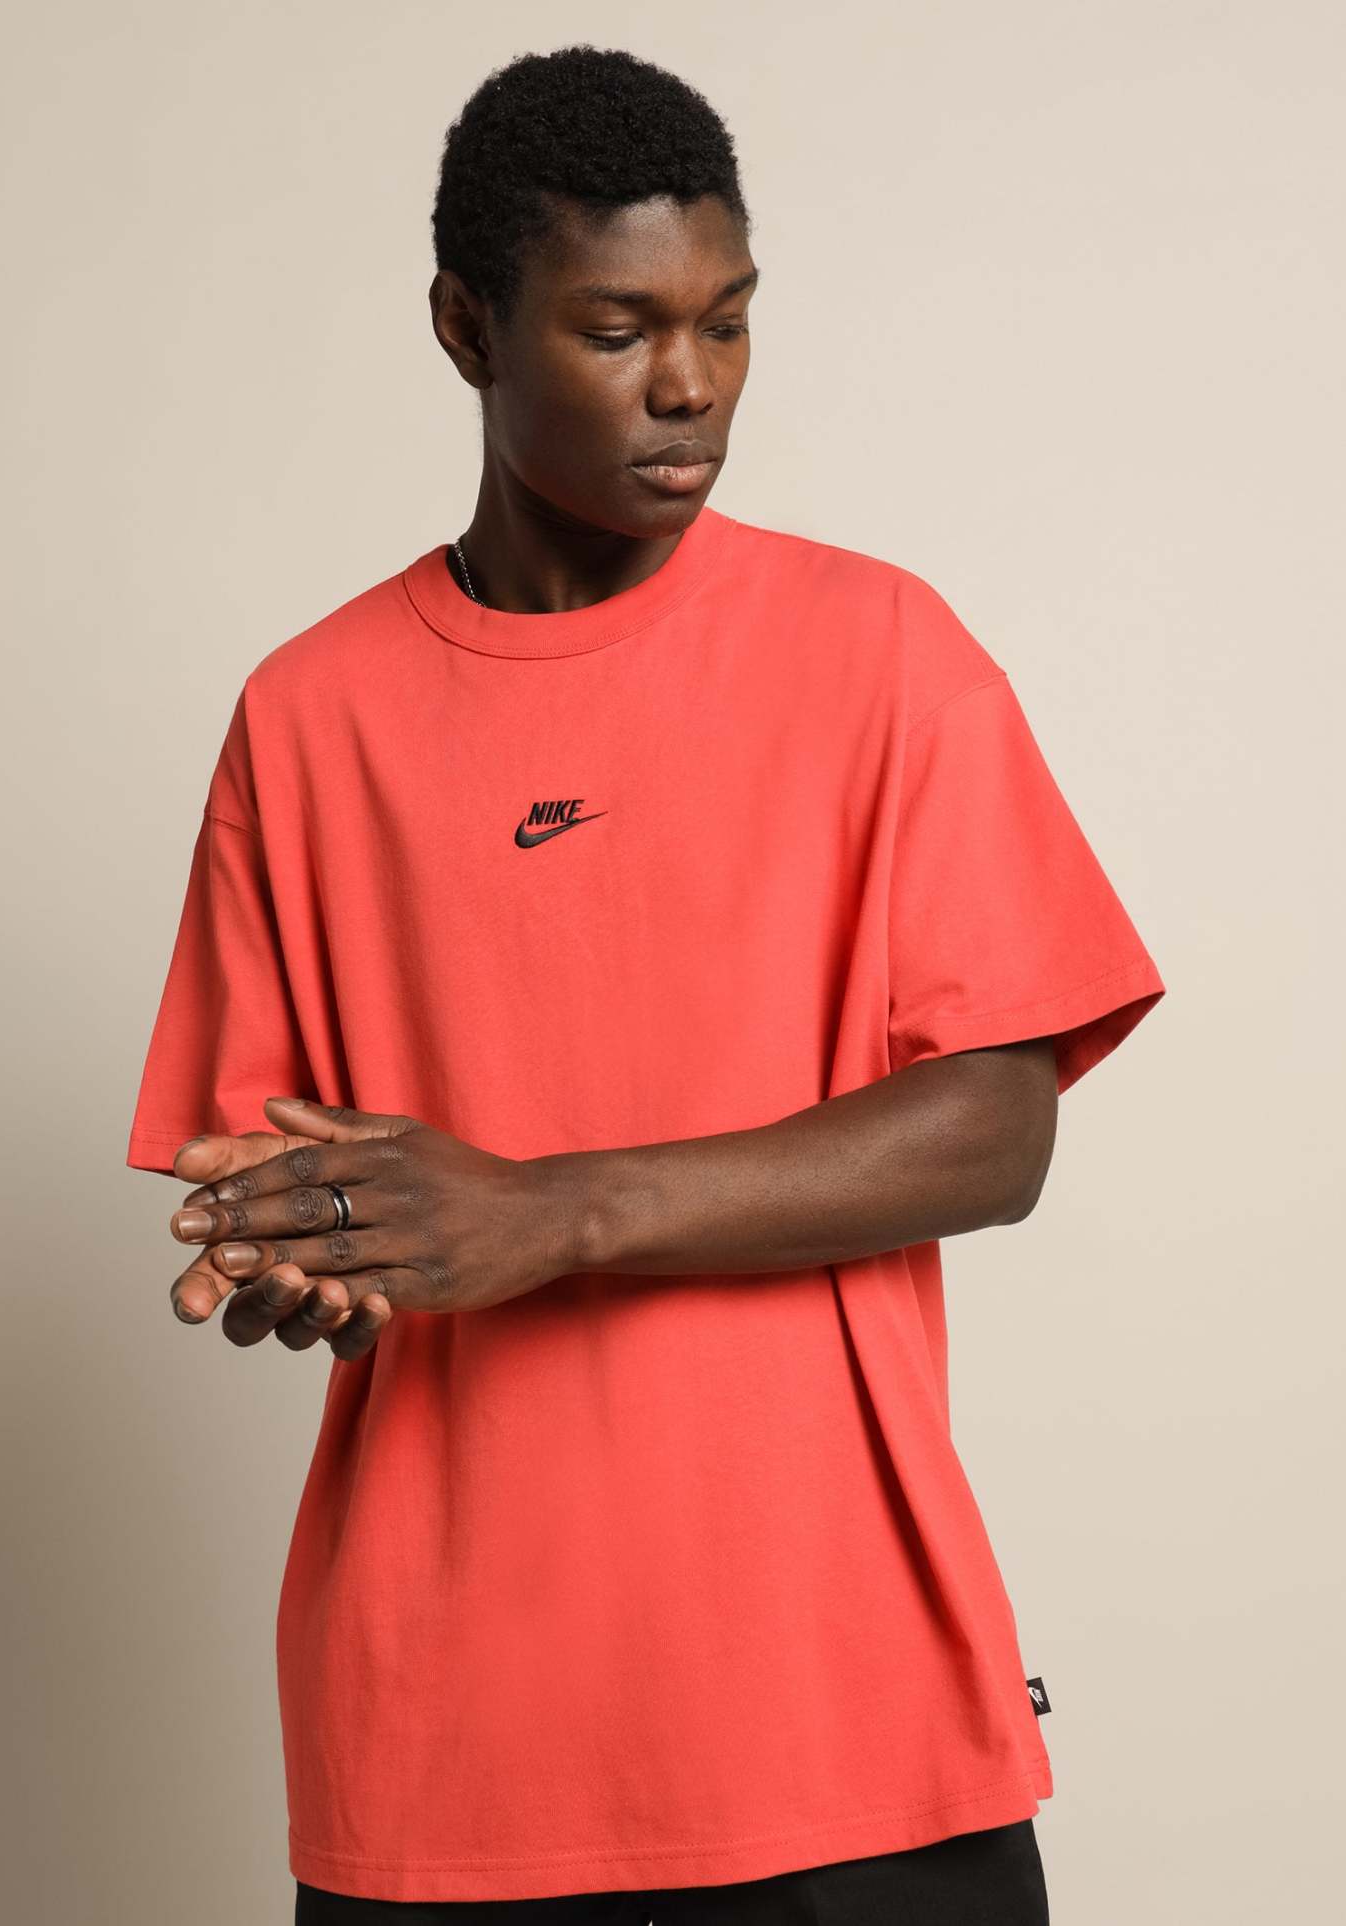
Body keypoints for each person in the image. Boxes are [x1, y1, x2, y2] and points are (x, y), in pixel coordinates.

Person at [124, 43, 1165, 1925]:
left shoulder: (880, 651)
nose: (690, 385)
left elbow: (996, 1129)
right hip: (451, 1745)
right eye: (618, 330)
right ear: (466, 325)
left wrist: (550, 1208)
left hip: (840, 1715)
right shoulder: (308, 715)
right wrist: (310, 1262)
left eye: (727, 322)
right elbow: (290, 1188)